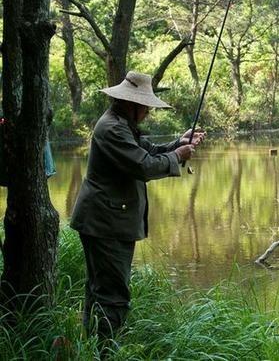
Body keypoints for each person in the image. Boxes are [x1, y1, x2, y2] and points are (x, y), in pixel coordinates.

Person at [70, 71, 205, 341]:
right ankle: (106, 351)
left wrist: (178, 143)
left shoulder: (121, 124)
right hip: (105, 224)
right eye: (146, 107)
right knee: (113, 296)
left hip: (106, 222)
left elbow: (147, 151)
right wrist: (177, 156)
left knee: (100, 291)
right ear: (130, 104)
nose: (148, 112)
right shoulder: (112, 128)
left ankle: (93, 348)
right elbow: (143, 166)